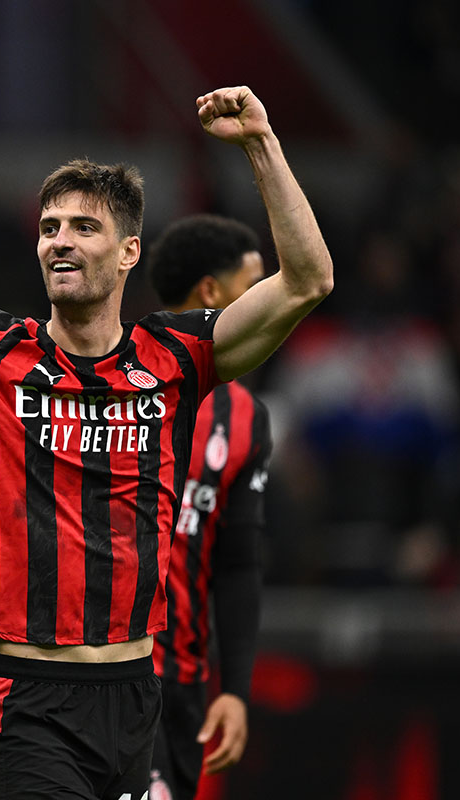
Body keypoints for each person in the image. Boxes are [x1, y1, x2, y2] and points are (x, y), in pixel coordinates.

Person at [0, 70, 333, 799]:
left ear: (129, 252)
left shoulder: (177, 359)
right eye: (49, 227)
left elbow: (308, 280)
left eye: (84, 227)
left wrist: (261, 145)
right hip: (22, 702)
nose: (59, 242)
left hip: (133, 697)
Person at [144, 214, 274, 800]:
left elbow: (238, 562)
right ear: (212, 294)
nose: (273, 311)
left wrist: (236, 689)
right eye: (256, 289)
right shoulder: (113, 378)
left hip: (185, 687)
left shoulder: (246, 417)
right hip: (101, 672)